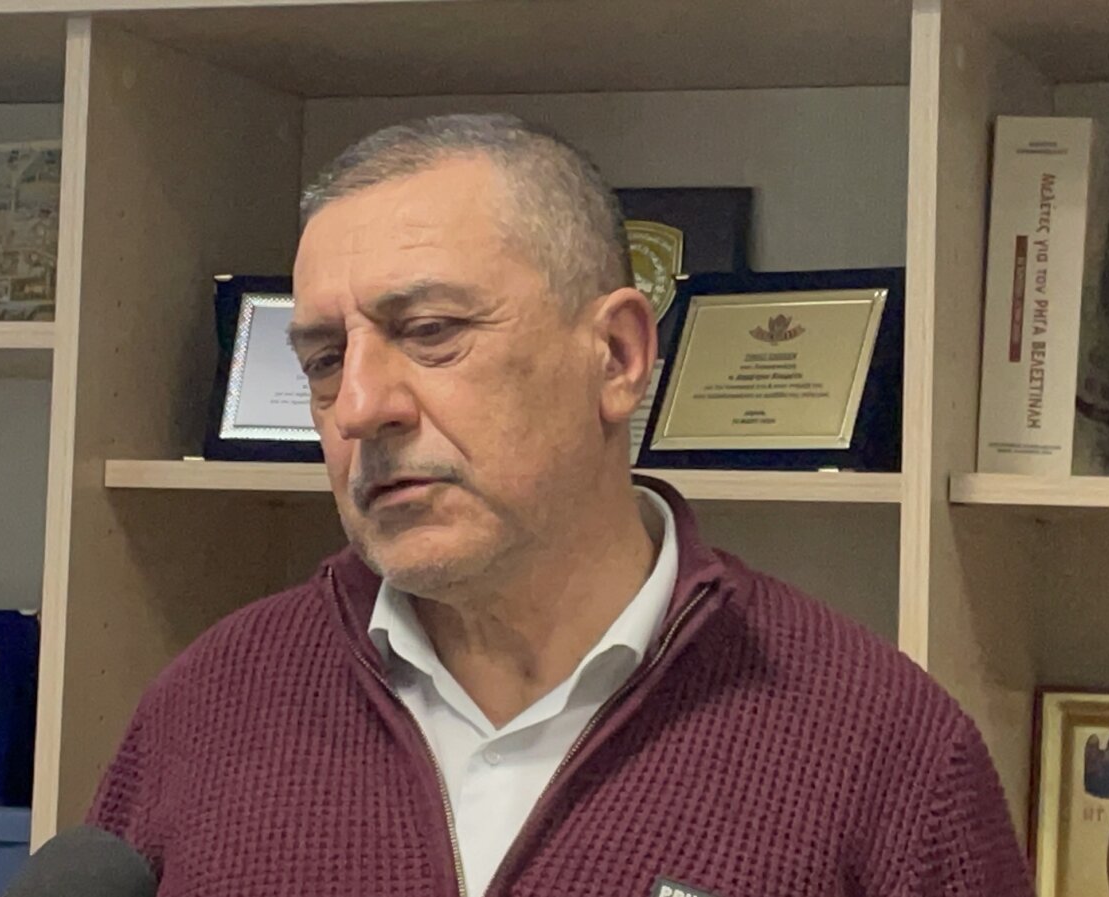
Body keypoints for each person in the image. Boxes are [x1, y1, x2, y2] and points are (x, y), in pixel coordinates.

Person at [88, 113, 1033, 897]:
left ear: (617, 357)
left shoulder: (880, 743)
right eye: (326, 359)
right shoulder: (209, 705)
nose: (361, 406)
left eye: (432, 331)